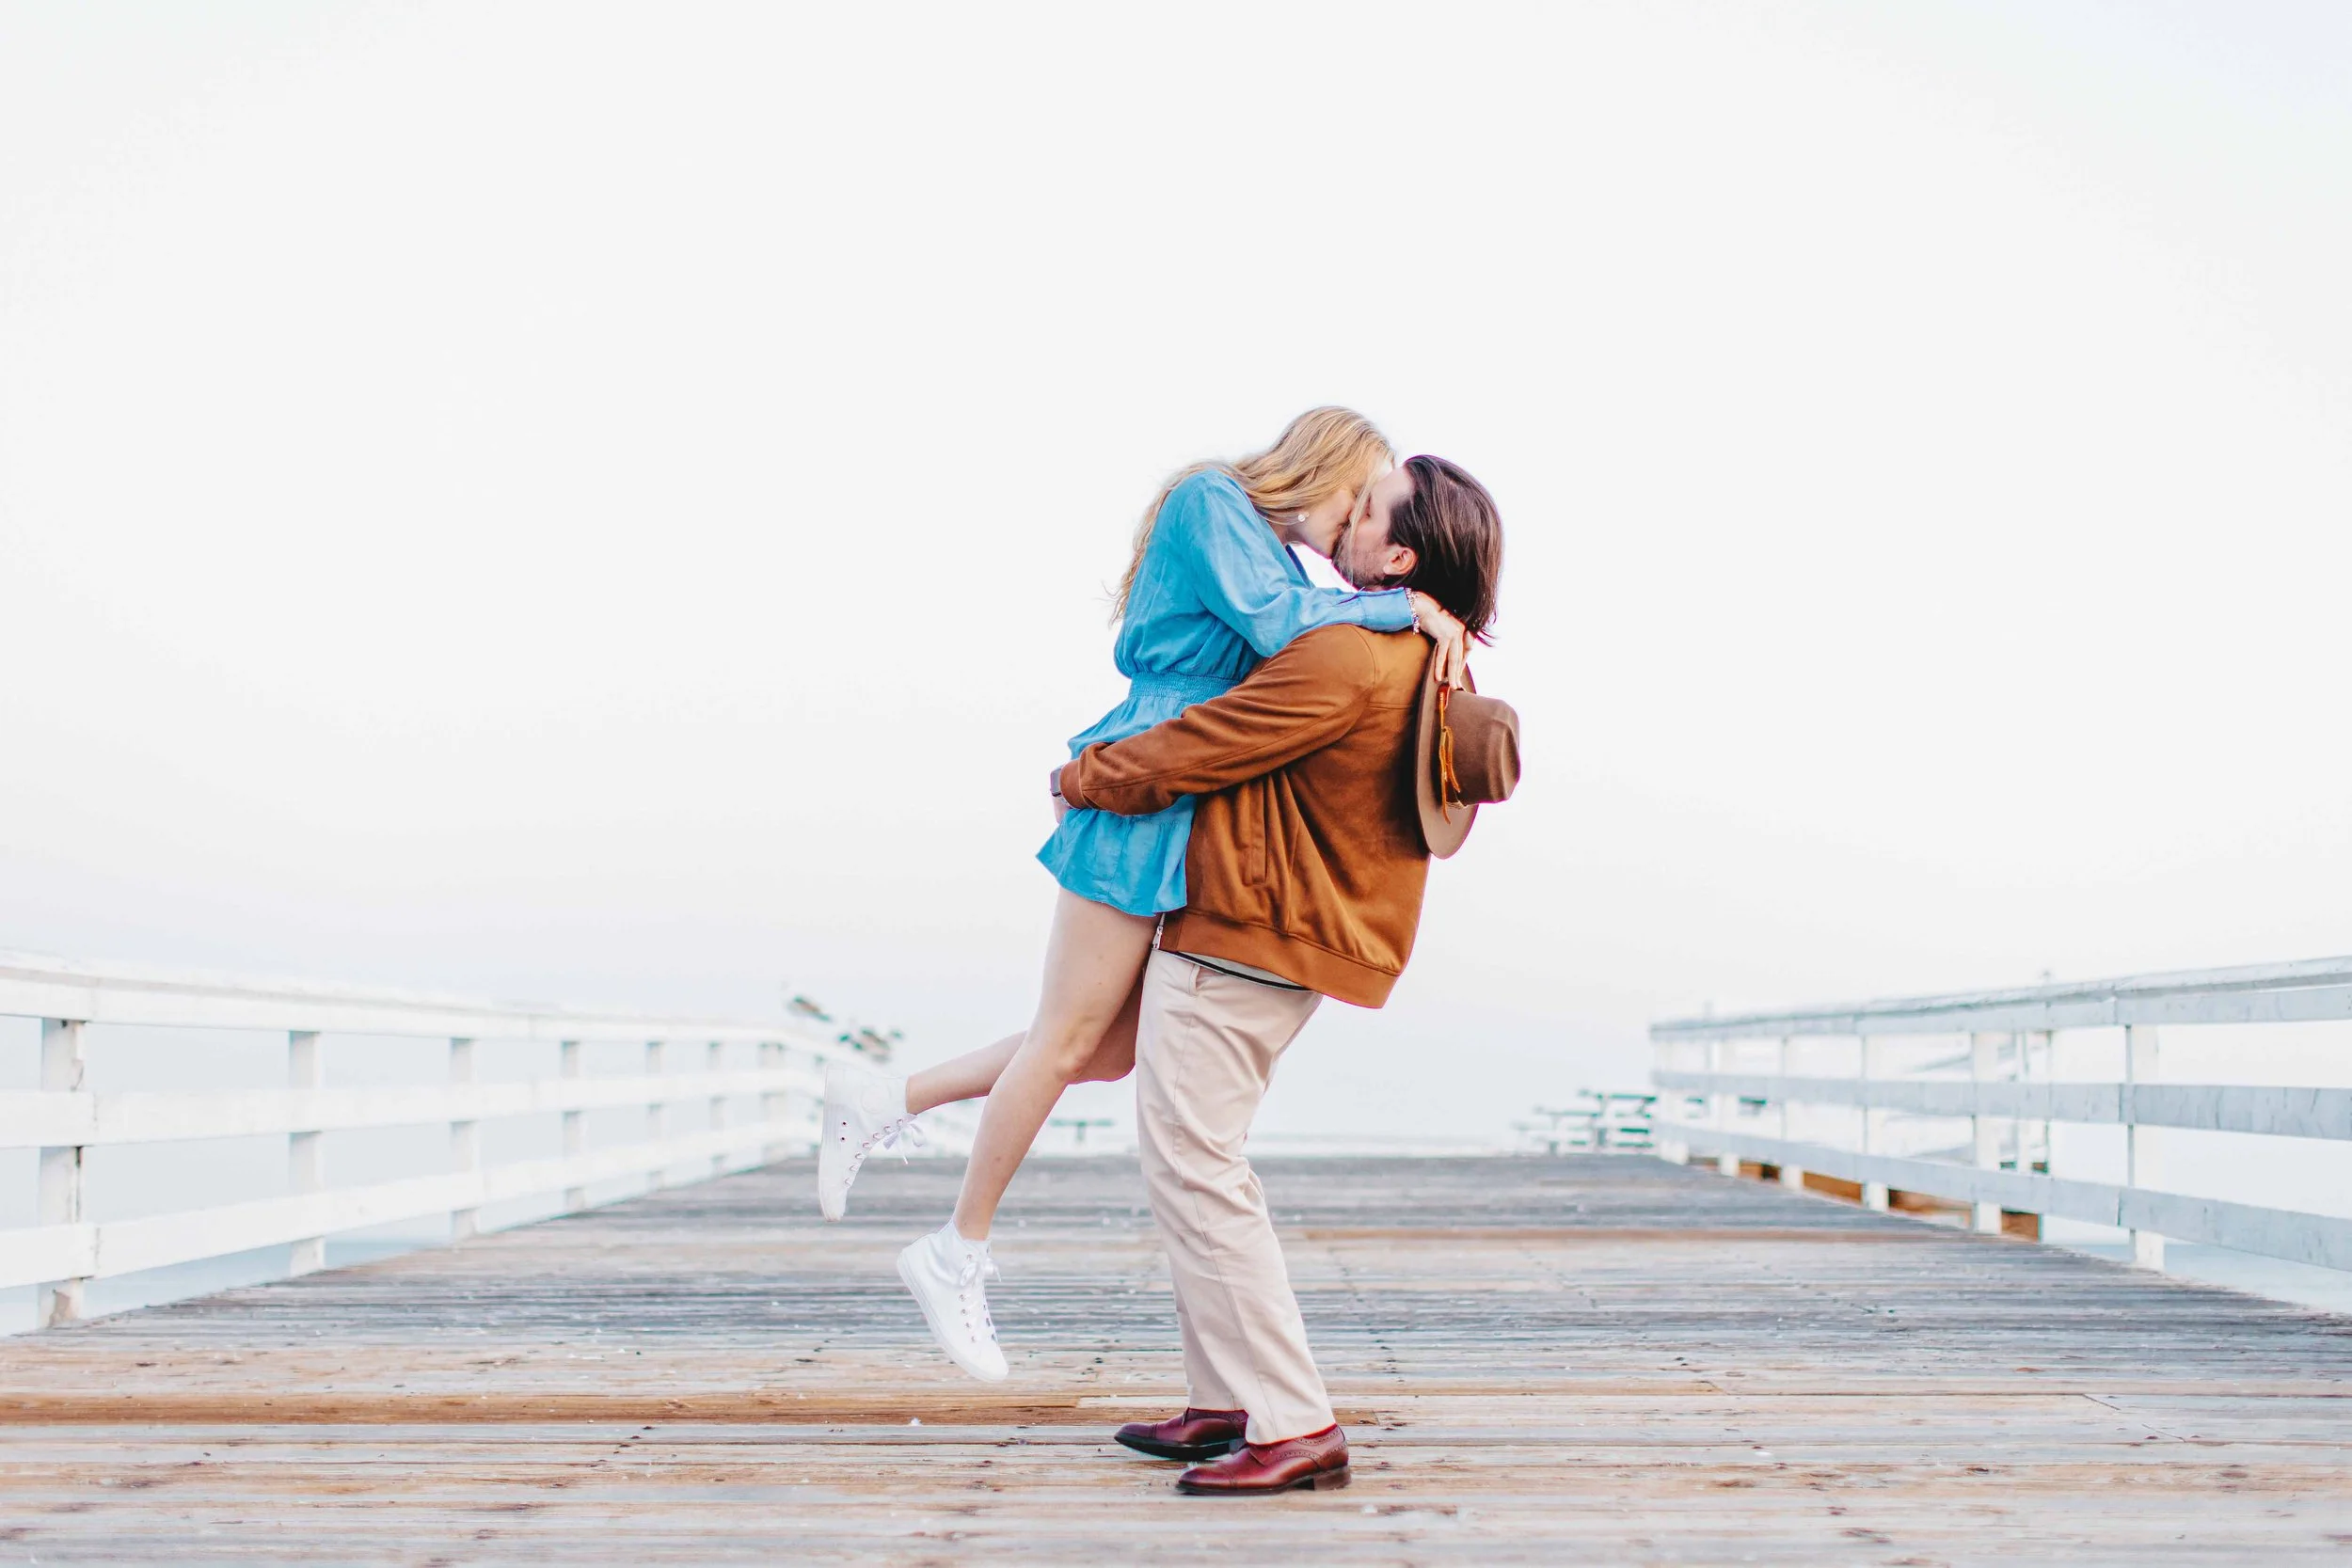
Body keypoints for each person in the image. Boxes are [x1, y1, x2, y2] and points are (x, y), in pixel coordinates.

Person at [814, 409, 1469, 1383]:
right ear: (1322, 465)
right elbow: (1283, 632)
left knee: (1106, 1047)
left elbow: (1295, 639)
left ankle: (880, 1098)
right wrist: (1406, 609)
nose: (1350, 531)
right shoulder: (1213, 502)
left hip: (1181, 805)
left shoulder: (1286, 565)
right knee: (1068, 1035)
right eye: (1356, 500)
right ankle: (955, 1249)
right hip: (1138, 784)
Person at [1058, 454, 1513, 1494]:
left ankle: (1295, 1420)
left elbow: (1196, 747)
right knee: (1195, 1154)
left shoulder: (1347, 654)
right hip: (1298, 930)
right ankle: (1224, 1396)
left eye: (1368, 508)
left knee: (1198, 1164)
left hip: (1246, 933)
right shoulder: (1425, 655)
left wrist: (1077, 774)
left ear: (1397, 556)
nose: (1346, 515)